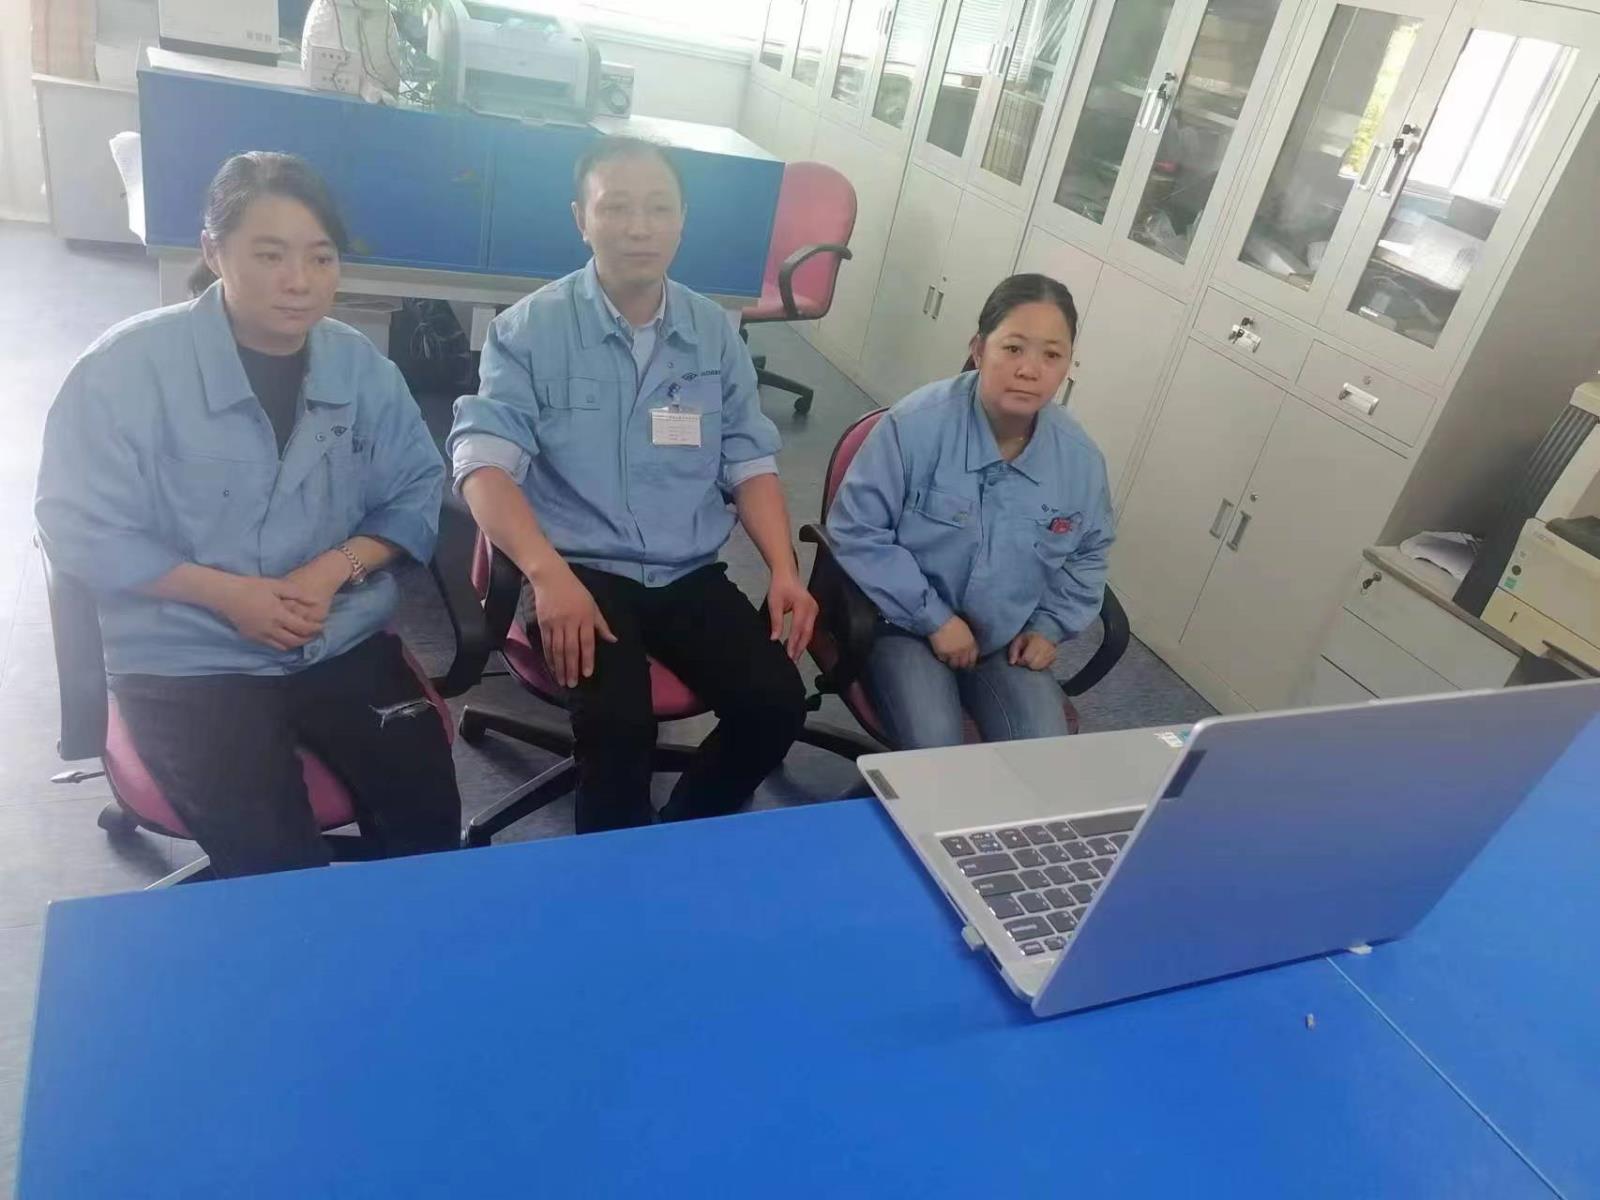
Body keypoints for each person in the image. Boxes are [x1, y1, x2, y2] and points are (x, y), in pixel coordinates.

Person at [35, 151, 461, 878]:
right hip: (189, 655)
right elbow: (74, 524)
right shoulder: (126, 370)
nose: (299, 281)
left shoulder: (359, 367)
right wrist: (227, 595)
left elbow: (417, 487)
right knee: (276, 870)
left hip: (335, 637)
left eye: (320, 257)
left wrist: (334, 569)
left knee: (430, 834)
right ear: (213, 251)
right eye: (270, 255)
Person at [449, 134, 816, 834]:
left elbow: (750, 460)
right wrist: (547, 576)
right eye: (616, 207)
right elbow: (482, 466)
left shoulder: (713, 332)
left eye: (658, 208)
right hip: (580, 570)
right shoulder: (530, 329)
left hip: (686, 568)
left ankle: (676, 838)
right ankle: (613, 875)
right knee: (618, 732)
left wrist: (783, 569)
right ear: (581, 219)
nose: (639, 227)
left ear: (682, 220)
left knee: (776, 705)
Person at [825, 273, 1114, 749]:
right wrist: (935, 620)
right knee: (936, 746)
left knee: (1043, 750)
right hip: (903, 624)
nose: (1030, 370)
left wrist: (1049, 627)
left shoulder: (1079, 462)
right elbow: (857, 530)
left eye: (1051, 355)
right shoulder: (914, 427)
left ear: (1068, 365)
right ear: (979, 350)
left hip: (1004, 638)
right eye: (1013, 348)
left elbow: (1089, 552)